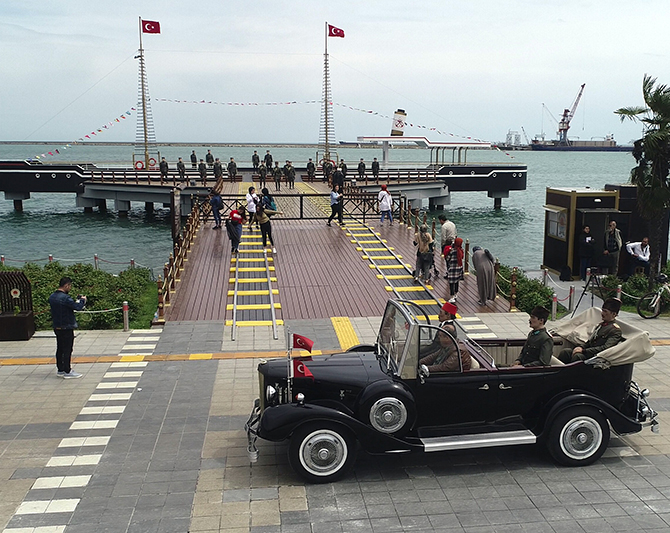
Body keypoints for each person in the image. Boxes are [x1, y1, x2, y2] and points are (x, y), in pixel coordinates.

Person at [558, 298, 623, 364]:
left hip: (597, 357)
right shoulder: (601, 325)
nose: (602, 313)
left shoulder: (615, 330)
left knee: (577, 357)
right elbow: (590, 342)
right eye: (602, 310)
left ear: (614, 314)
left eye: (605, 311)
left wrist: (583, 351)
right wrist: (580, 347)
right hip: (589, 353)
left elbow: (605, 348)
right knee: (566, 352)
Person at [49, 277, 86, 379]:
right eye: (69, 286)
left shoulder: (52, 296)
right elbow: (77, 307)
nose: (70, 288)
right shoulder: (65, 298)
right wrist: (82, 300)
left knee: (60, 348)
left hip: (57, 326)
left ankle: (60, 369)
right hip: (67, 327)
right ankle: (67, 371)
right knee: (67, 349)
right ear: (66, 285)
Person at [444, 237, 464, 301]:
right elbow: (462, 257)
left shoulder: (452, 251)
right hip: (459, 268)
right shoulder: (461, 251)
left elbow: (448, 258)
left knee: (451, 283)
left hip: (452, 268)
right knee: (456, 282)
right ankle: (456, 294)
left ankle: (452, 295)